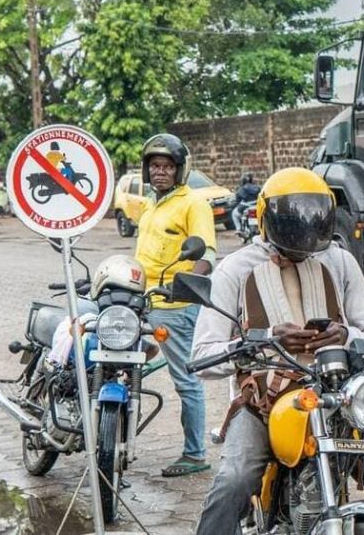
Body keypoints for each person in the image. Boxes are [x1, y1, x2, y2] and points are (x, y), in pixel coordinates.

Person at [191, 167, 364, 535]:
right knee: (233, 481)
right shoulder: (235, 269)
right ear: (267, 218)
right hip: (264, 405)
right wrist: (266, 339)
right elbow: (203, 356)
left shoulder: (339, 261)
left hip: (339, 400)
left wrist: (344, 334)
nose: (304, 232)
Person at [134, 133, 217, 477]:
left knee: (185, 379)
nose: (160, 172)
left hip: (174, 305)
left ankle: (195, 455)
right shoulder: (152, 204)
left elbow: (208, 254)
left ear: (180, 170)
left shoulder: (192, 203)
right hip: (142, 298)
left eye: (168, 167)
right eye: (155, 166)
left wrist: (184, 289)